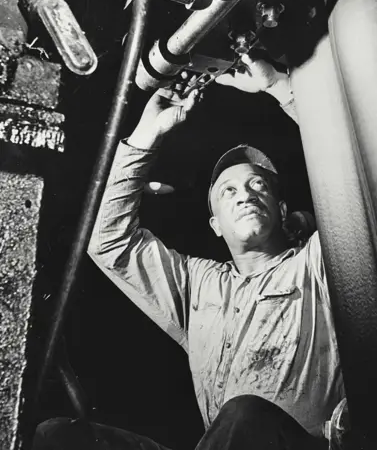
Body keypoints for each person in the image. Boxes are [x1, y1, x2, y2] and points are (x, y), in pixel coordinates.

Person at [33, 55, 345, 450]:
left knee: (244, 415)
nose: (245, 194)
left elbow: (348, 162)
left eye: (258, 185)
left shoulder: (318, 263)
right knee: (59, 436)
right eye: (227, 192)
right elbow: (110, 242)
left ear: (282, 211)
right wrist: (147, 134)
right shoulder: (199, 286)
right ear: (215, 224)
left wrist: (279, 87)